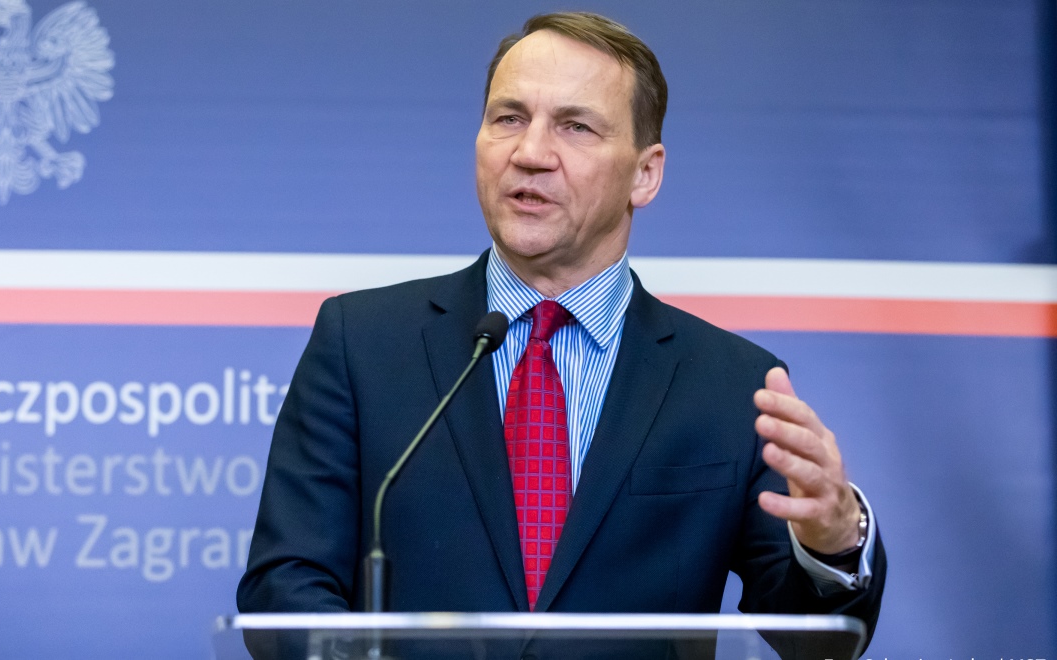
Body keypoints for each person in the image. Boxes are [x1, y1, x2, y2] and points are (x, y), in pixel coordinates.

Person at [237, 10, 886, 655]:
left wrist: (834, 540)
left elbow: (813, 642)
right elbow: (285, 586)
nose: (530, 154)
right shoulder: (362, 344)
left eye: (575, 126)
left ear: (645, 174)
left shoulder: (733, 385)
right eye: (508, 118)